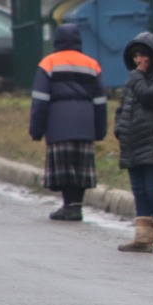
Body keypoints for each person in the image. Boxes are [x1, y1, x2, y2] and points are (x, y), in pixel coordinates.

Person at [29, 24, 108, 221]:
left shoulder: (48, 63)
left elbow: (40, 100)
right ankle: (76, 206)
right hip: (85, 121)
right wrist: (100, 129)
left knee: (64, 167)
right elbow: (100, 101)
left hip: (59, 122)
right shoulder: (92, 64)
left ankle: (68, 206)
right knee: (81, 167)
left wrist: (36, 129)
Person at [115, 32, 153, 253]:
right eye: (136, 56)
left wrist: (136, 77)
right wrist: (119, 128)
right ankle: (142, 238)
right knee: (139, 190)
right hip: (132, 143)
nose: (139, 60)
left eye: (144, 56)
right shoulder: (134, 80)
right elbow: (123, 108)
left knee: (152, 189)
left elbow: (148, 96)